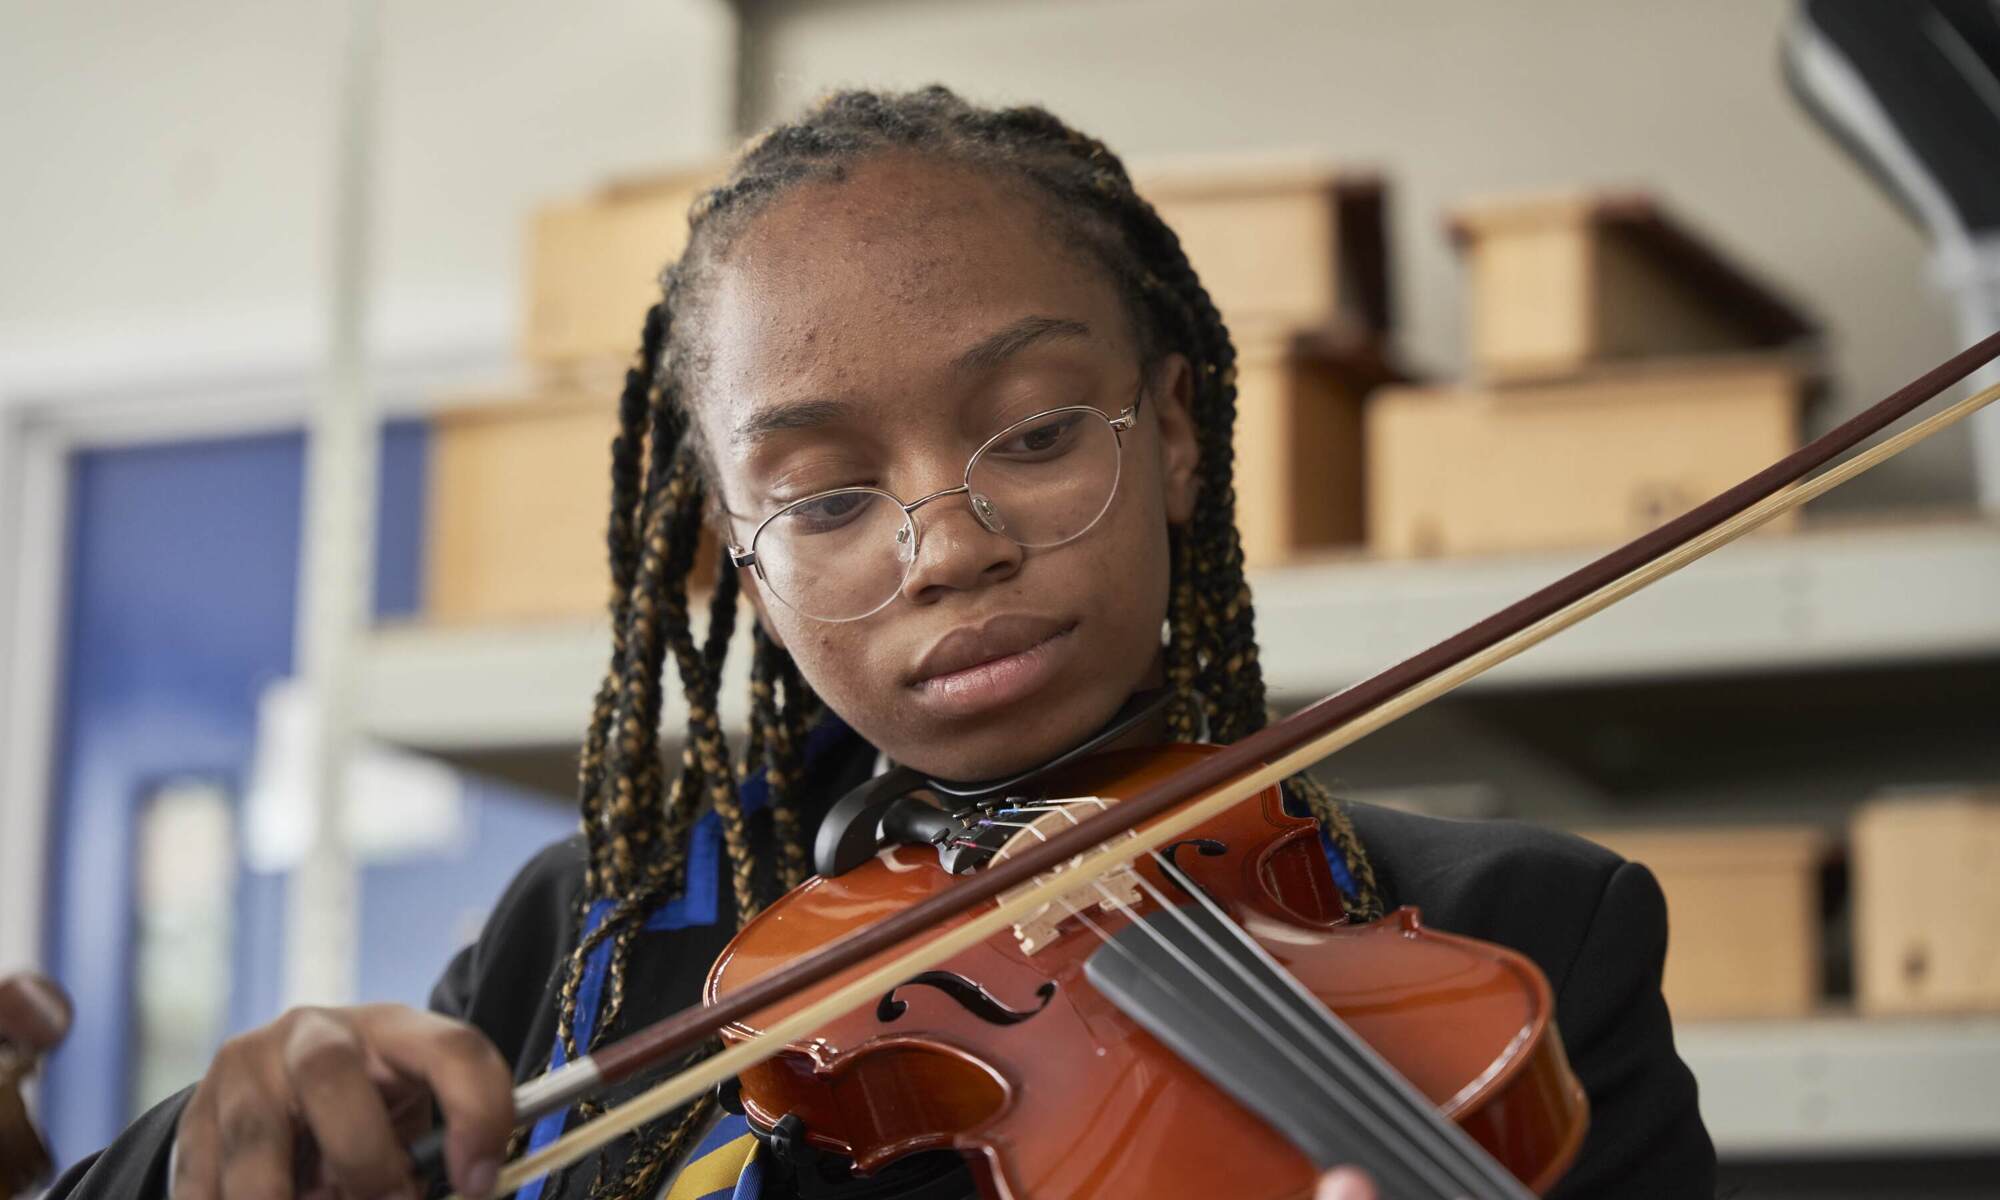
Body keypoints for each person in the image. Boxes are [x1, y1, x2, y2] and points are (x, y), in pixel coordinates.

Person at [48, 85, 1715, 1200]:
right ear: (740, 565)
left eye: (1039, 434)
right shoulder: (590, 948)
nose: (952, 546)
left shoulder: (1509, 946)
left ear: (1178, 434)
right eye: (829, 498)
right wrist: (197, 1150)